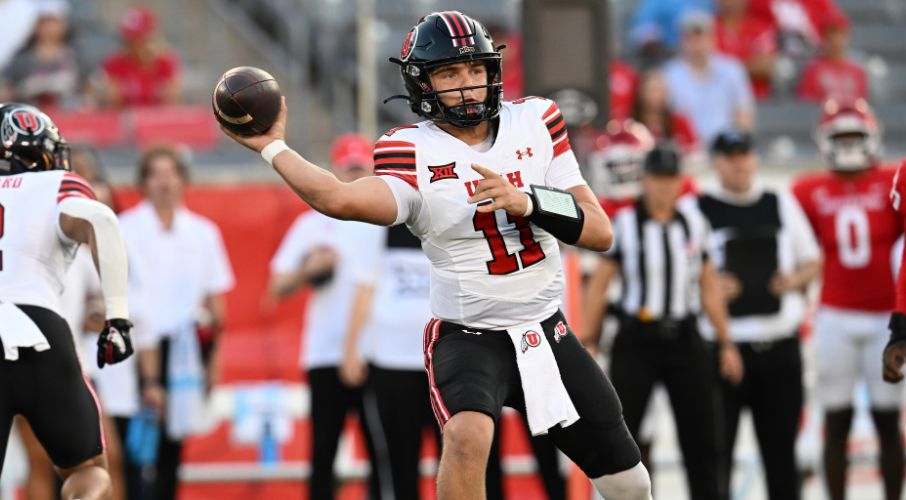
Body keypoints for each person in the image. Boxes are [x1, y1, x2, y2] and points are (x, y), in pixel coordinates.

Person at [222, 10, 652, 500]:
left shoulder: (535, 120)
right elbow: (338, 199)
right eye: (449, 73)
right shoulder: (411, 151)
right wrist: (274, 148)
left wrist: (530, 199)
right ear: (423, 84)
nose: (467, 85)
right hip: (470, 338)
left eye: (474, 70)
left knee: (631, 485)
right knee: (468, 435)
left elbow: (598, 230)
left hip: (545, 329)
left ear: (492, 71)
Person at [583, 142, 743, 500]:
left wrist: (726, 341)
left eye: (671, 178)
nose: (664, 187)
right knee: (625, 435)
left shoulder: (692, 222)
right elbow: (599, 285)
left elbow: (708, 284)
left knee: (702, 439)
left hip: (685, 338)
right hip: (637, 339)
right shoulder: (625, 223)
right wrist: (589, 340)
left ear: (679, 182)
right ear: (645, 180)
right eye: (658, 178)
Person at [0, 103, 134, 499]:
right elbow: (101, 220)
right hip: (41, 330)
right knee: (89, 472)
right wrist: (118, 319)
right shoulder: (55, 183)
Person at [699, 131, 820, 499]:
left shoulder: (778, 202)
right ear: (716, 162)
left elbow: (812, 260)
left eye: (745, 154)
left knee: (782, 456)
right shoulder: (698, 209)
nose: (739, 163)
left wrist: (792, 279)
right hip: (724, 348)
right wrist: (710, 286)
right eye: (731, 156)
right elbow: (683, 273)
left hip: (778, 345)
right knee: (716, 454)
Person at [792, 99, 903, 500]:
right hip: (835, 316)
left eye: (857, 135)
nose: (851, 144)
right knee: (835, 420)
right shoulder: (808, 189)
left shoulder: (891, 179)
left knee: (887, 421)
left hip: (883, 318)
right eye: (843, 137)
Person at [268, 133, 384, 500]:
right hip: (324, 353)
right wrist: (309, 269)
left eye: (361, 168)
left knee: (382, 453)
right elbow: (276, 287)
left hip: (377, 353)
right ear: (335, 169)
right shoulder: (312, 223)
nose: (354, 175)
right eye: (349, 168)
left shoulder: (388, 220)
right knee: (323, 452)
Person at [118, 146, 234, 500]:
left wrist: (214, 360)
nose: (165, 182)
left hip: (184, 350)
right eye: (156, 174)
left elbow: (217, 303)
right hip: (132, 350)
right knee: (131, 444)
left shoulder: (203, 232)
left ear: (183, 180)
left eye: (171, 174)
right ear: (143, 182)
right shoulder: (125, 229)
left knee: (172, 447)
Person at [663, 10, 755, 147]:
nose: (696, 44)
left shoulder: (733, 69)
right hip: (685, 149)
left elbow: (744, 115)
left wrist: (735, 146)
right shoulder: (668, 73)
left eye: (700, 36)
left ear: (712, 38)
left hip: (725, 148)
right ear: (681, 40)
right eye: (689, 38)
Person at [0, 0, 90, 109]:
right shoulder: (21, 59)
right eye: (45, 23)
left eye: (54, 23)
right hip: (31, 117)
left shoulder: (76, 57)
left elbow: (89, 87)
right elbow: (7, 89)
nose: (50, 28)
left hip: (70, 118)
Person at [101, 7, 181, 107]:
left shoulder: (165, 62)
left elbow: (172, 101)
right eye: (129, 39)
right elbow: (111, 103)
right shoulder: (115, 63)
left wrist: (149, 63)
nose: (133, 44)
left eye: (138, 39)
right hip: (126, 119)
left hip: (157, 120)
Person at [796, 10, 867, 104]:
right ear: (823, 39)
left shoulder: (857, 71)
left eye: (840, 35)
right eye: (830, 36)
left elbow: (863, 103)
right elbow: (807, 105)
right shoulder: (813, 70)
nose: (836, 42)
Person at [714, 0, 778, 99]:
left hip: (758, 102)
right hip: (719, 102)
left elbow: (767, 67)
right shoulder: (708, 28)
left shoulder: (760, 28)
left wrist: (727, 68)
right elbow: (705, 68)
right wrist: (749, 64)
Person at [630, 69, 699, 158]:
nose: (658, 96)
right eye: (653, 90)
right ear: (641, 92)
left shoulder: (679, 122)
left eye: (662, 90)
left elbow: (694, 153)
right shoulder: (631, 126)